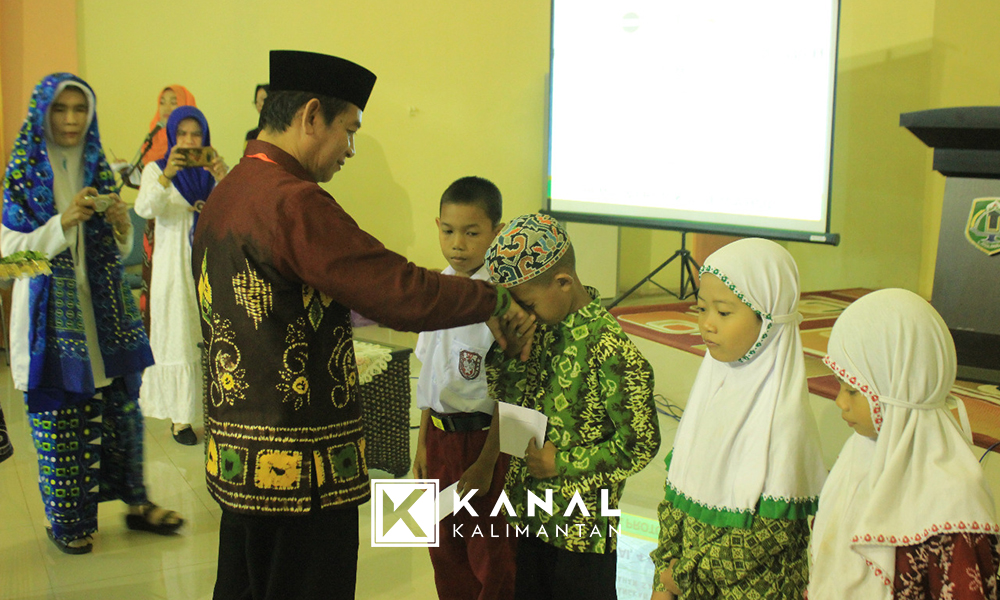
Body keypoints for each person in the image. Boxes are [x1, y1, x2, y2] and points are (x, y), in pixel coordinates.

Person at [192, 50, 532, 600]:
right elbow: (397, 291)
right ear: (311, 116)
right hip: (300, 472)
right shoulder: (294, 202)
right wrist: (491, 298)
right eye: (349, 131)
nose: (350, 148)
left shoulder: (231, 190)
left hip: (239, 459)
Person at [1, 73, 183, 555]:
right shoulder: (22, 172)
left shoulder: (97, 166)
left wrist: (121, 227)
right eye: (61, 109)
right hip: (50, 327)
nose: (70, 119)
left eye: (80, 109)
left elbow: (115, 252)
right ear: (43, 113)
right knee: (62, 426)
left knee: (121, 418)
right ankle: (68, 522)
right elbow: (10, 261)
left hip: (104, 323)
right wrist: (60, 224)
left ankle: (137, 503)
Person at [480, 213, 661, 600]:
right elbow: (509, 399)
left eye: (527, 303)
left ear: (563, 282)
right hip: (531, 513)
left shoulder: (609, 348)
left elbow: (640, 444)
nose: (523, 314)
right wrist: (509, 353)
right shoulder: (540, 327)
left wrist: (560, 464)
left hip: (582, 530)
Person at [649, 238, 827, 600]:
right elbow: (676, 497)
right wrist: (663, 578)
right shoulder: (708, 394)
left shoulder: (782, 420)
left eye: (724, 313)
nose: (707, 324)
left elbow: (767, 536)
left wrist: (680, 576)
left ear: (769, 320)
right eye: (701, 309)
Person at [808, 289, 1000, 599]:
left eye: (853, 390)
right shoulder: (857, 455)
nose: (840, 402)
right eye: (840, 386)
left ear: (898, 387)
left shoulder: (951, 500)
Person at [412, 176, 516, 600]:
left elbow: (513, 398)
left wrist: (488, 462)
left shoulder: (503, 300)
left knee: (492, 554)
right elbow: (430, 376)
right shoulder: (436, 289)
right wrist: (422, 444)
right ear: (437, 225)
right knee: (443, 547)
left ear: (496, 231)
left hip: (485, 443)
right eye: (449, 231)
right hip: (438, 442)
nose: (458, 244)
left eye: (472, 233)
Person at [134, 106, 228, 445]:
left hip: (209, 265)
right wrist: (167, 175)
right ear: (172, 136)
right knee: (178, 337)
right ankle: (181, 419)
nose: (189, 141)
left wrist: (223, 177)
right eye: (183, 134)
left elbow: (235, 211)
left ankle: (216, 411)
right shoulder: (155, 169)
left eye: (196, 134)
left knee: (212, 336)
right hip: (173, 269)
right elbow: (145, 208)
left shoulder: (211, 172)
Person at [138, 85, 197, 333]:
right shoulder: (153, 154)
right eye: (163, 101)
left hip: (193, 244)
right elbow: (144, 203)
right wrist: (167, 174)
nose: (166, 107)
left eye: (174, 101)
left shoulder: (204, 165)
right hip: (161, 237)